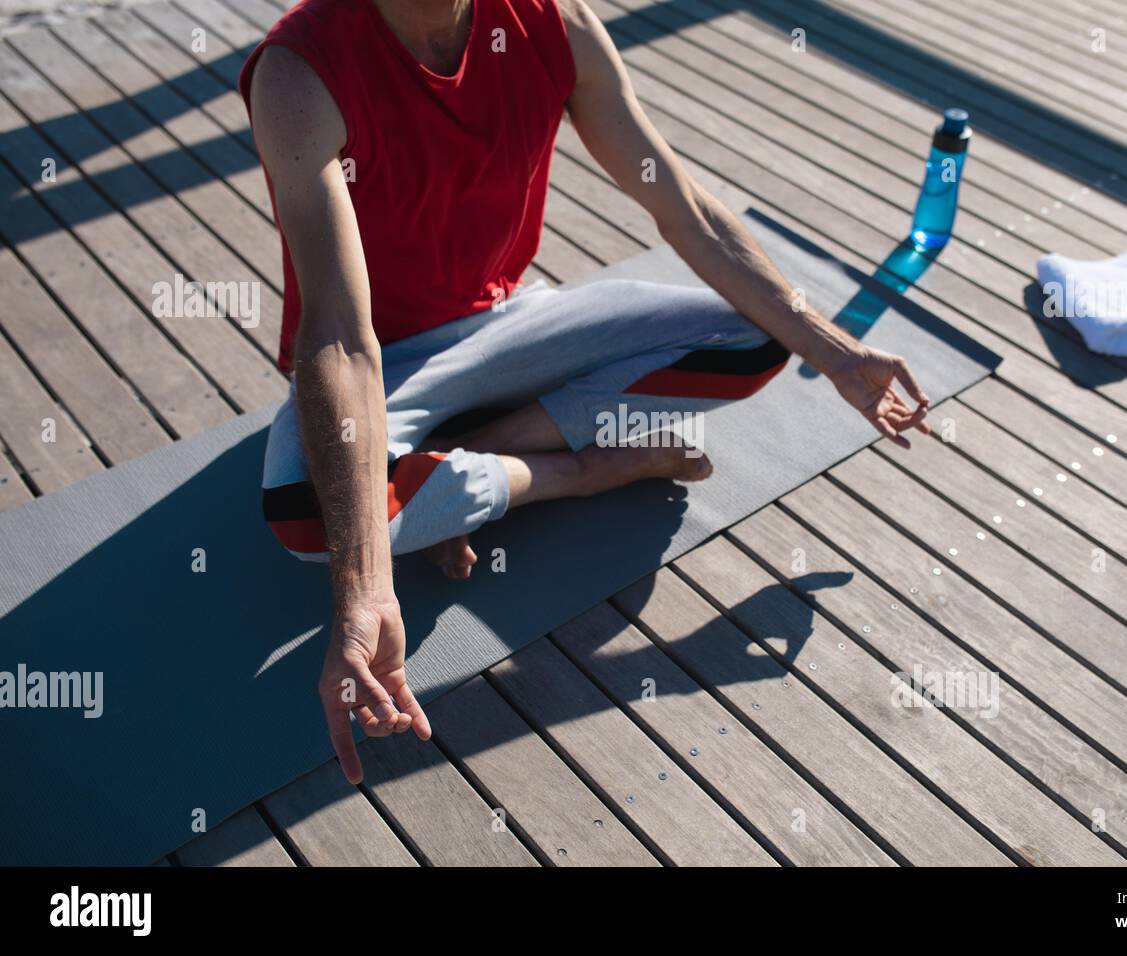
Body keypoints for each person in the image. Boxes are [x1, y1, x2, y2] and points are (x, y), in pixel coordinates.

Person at [241, 0, 931, 783]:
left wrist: (837, 354)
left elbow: (687, 210)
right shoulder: (298, 71)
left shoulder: (552, 21)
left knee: (763, 331)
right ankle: (583, 469)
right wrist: (367, 589)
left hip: (511, 322)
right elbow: (337, 339)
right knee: (306, 517)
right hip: (383, 364)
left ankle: (460, 466)